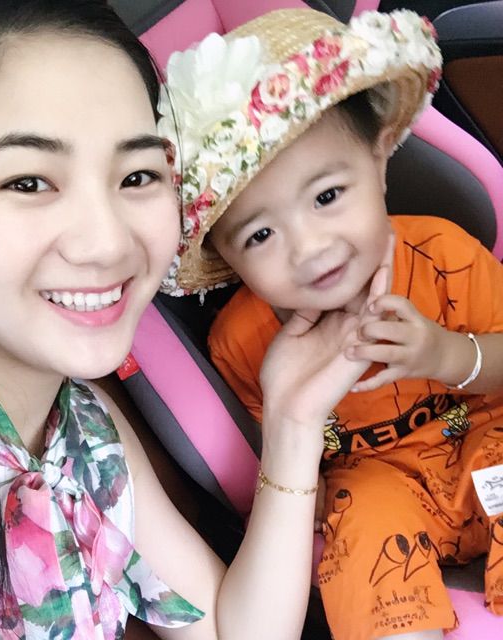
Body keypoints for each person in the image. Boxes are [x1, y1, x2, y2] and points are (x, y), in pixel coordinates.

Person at [0, 0, 384, 638]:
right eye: (28, 182)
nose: (108, 244)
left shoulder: (88, 430)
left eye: (137, 175)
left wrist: (295, 420)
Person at [158, 7, 503, 640]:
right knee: (363, 518)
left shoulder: (445, 256)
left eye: (326, 197)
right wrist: (310, 487)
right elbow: (282, 461)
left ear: (378, 160)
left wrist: (446, 354)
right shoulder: (243, 342)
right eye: (260, 235)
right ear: (225, 256)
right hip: (379, 488)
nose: (310, 248)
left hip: (483, 445)